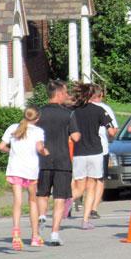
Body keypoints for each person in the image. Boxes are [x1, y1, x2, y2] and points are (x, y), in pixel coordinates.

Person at [36, 80, 81, 247]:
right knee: (60, 198)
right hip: (62, 160)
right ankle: (54, 233)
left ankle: (41, 215)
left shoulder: (38, 113)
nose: (67, 96)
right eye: (66, 93)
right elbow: (76, 137)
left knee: (42, 193)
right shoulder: (68, 114)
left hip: (42, 160)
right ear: (59, 93)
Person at [0, 107, 48, 249]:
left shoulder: (13, 127)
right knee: (32, 201)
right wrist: (45, 152)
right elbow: (40, 148)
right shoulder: (38, 131)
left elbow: (1, 146)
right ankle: (35, 236)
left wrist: (11, 151)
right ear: (37, 119)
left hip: (15, 168)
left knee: (17, 202)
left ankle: (16, 233)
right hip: (30, 170)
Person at [70, 83, 116, 230]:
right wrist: (112, 130)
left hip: (79, 152)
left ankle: (65, 201)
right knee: (92, 186)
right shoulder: (99, 110)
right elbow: (112, 132)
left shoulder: (74, 111)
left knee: (79, 186)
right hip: (96, 152)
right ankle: (85, 220)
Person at [90, 85, 118, 220]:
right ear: (100, 95)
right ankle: (93, 208)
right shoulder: (105, 109)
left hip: (82, 149)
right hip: (101, 149)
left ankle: (71, 200)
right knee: (100, 179)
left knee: (85, 179)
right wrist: (112, 136)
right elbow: (113, 130)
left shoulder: (80, 109)